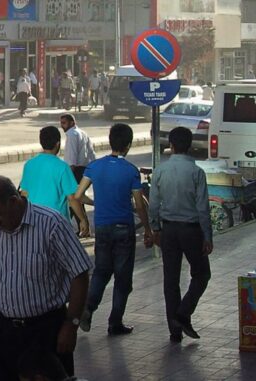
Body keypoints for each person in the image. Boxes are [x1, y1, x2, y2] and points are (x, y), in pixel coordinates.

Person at [0, 176, 93, 380]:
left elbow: (80, 274)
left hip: (45, 329)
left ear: (13, 201)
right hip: (4, 329)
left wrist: (71, 324)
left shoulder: (51, 223)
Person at [75, 123, 153, 336]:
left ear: (111, 142)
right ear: (128, 145)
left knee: (101, 271)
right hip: (124, 228)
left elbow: (78, 195)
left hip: (102, 227)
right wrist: (147, 228)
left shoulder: (94, 167)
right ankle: (115, 322)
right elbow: (139, 205)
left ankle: (88, 309)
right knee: (122, 278)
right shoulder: (131, 171)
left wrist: (95, 203)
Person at [149, 127, 212, 343]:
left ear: (171, 146)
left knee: (171, 280)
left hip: (168, 230)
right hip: (191, 230)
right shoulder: (197, 172)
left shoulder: (160, 171)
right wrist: (207, 236)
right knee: (201, 274)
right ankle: (183, 312)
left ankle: (174, 330)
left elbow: (153, 205)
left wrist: (155, 228)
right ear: (190, 146)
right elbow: (203, 207)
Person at [19, 126, 89, 237]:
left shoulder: (29, 165)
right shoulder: (62, 167)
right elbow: (72, 198)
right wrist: (83, 219)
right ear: (58, 144)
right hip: (58, 224)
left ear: (41, 143)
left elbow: (24, 193)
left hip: (35, 222)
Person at [60, 114, 96, 230]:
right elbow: (91, 154)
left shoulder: (72, 135)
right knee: (77, 199)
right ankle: (82, 227)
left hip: (76, 171)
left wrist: (67, 177)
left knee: (73, 199)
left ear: (72, 122)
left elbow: (72, 160)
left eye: (64, 123)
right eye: (61, 123)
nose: (62, 125)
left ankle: (78, 227)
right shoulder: (83, 133)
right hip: (86, 170)